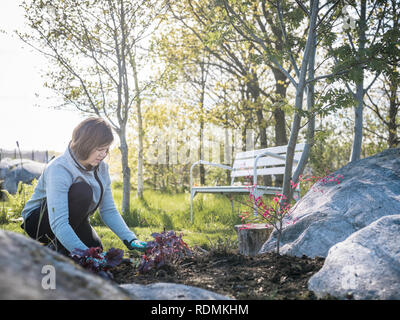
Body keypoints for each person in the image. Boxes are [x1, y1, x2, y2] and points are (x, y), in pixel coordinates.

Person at [20, 117, 146, 256]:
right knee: (83, 191)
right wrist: (86, 254)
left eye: (106, 149)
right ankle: (53, 250)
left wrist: (130, 238)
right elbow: (59, 223)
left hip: (75, 220)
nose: (103, 155)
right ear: (86, 144)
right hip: (39, 223)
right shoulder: (59, 168)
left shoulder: (102, 169)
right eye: (100, 149)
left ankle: (61, 249)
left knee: (96, 248)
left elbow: (108, 210)